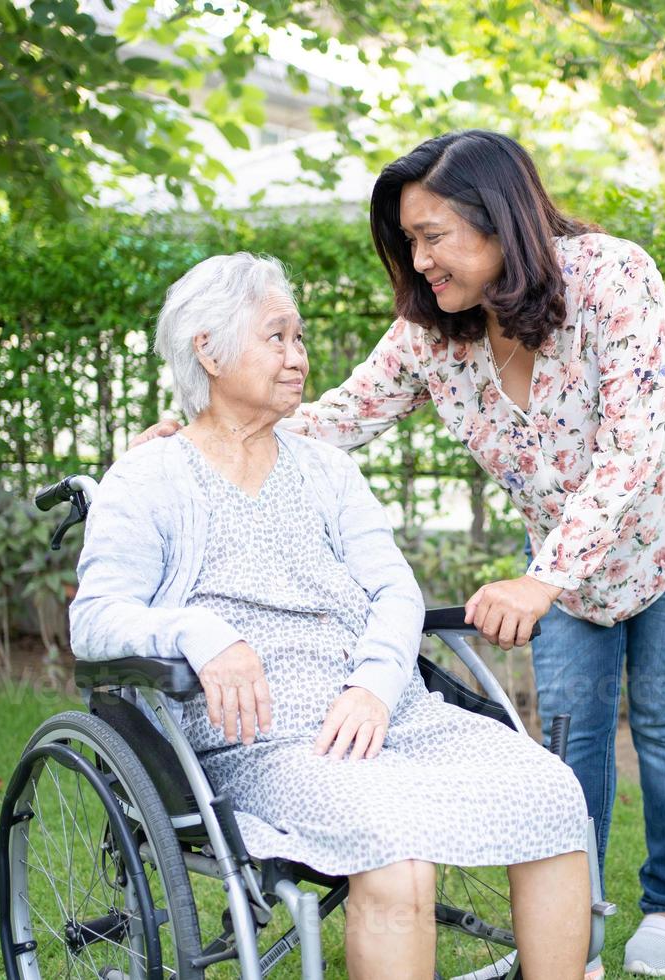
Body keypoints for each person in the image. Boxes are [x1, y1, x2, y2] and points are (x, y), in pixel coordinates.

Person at [139, 131, 665, 978]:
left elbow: (634, 449)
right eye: (409, 241)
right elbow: (335, 420)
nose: (419, 260)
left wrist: (544, 578)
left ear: (501, 220)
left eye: (434, 235)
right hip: (561, 543)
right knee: (569, 727)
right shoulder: (435, 332)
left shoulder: (613, 278)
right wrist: (202, 438)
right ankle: (579, 924)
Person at [75, 252, 592, 980]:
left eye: (299, 338)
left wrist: (375, 687)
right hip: (263, 738)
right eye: (277, 338)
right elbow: (97, 617)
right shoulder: (149, 477)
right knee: (392, 849)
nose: (299, 357)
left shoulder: (326, 469)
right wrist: (201, 632)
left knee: (548, 789)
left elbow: (395, 592)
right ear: (208, 351)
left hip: (388, 711)